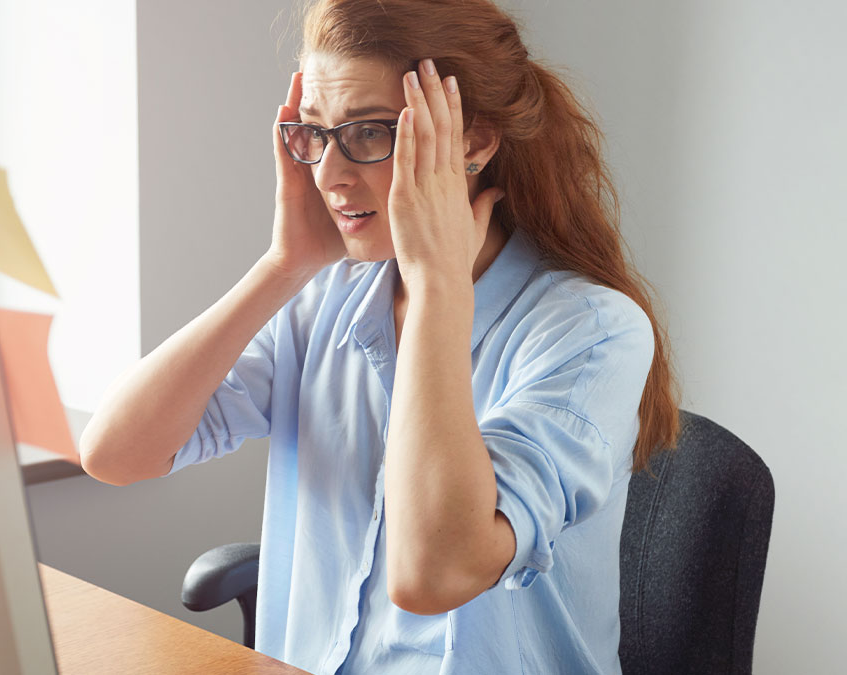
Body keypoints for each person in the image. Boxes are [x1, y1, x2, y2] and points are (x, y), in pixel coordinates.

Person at [80, 0, 681, 672]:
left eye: (367, 132)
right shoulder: (325, 297)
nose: (329, 175)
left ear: (474, 141)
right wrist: (284, 265)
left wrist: (438, 289)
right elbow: (116, 454)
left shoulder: (591, 332)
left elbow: (432, 576)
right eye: (314, 133)